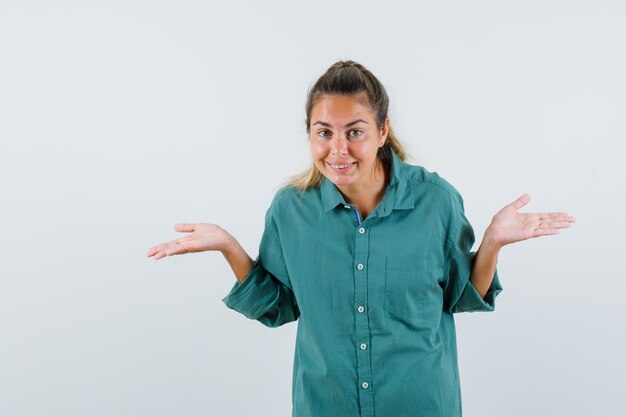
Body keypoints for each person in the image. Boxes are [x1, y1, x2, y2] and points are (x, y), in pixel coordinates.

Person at [146, 60, 575, 417]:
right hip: (325, 405)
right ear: (309, 133)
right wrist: (228, 245)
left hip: (421, 404)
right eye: (323, 132)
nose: (338, 149)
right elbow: (278, 306)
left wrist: (493, 242)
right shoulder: (290, 210)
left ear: (382, 131)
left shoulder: (435, 201)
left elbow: (462, 295)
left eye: (354, 131)